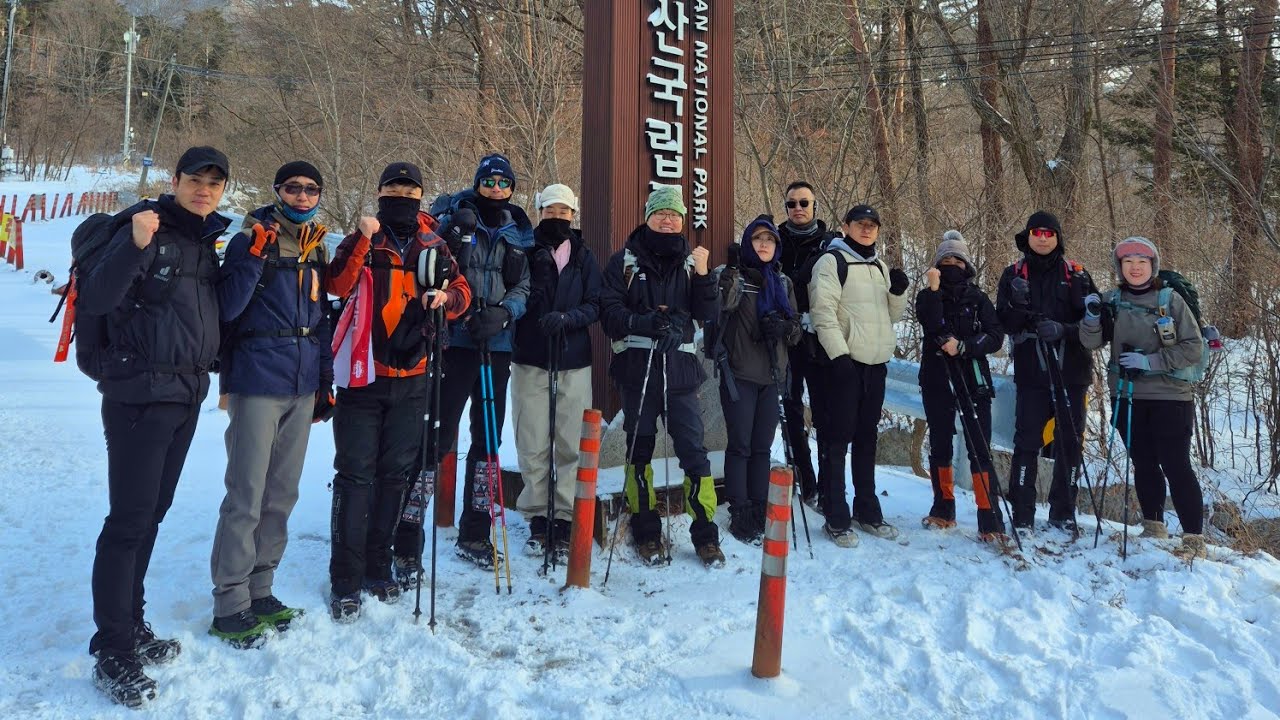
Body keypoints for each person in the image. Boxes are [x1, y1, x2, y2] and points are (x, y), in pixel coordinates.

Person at [77, 146, 231, 707]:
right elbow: (96, 297)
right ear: (176, 181)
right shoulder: (146, 228)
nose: (204, 189)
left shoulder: (202, 242)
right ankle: (112, 647)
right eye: (195, 179)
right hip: (139, 395)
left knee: (152, 517)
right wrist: (135, 244)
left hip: (185, 394)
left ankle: (131, 625)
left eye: (215, 183)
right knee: (128, 522)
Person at [325, 161, 471, 622]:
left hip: (414, 377)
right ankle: (345, 579)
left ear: (421, 197)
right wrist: (363, 238)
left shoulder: (435, 244)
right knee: (355, 476)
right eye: (394, 189)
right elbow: (336, 284)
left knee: (395, 476)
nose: (402, 197)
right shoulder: (366, 241)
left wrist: (446, 300)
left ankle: (378, 565)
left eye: (410, 191)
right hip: (363, 377)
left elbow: (463, 294)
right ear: (381, 192)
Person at [209, 161, 332, 646]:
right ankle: (230, 602)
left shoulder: (316, 245)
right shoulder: (249, 238)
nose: (302, 197)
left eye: (311, 190)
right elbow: (228, 306)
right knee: (246, 495)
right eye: (293, 188)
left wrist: (324, 382)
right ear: (277, 190)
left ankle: (261, 588)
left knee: (281, 495)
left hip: (301, 383)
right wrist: (255, 256)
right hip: (257, 376)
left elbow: (322, 319)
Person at [600, 184, 722, 566]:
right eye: (660, 213)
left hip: (682, 371)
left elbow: (707, 312)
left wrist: (703, 276)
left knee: (694, 453)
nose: (667, 220)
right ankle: (646, 530)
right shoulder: (624, 262)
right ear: (648, 217)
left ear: (683, 220)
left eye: (674, 215)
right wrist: (645, 322)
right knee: (640, 451)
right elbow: (609, 315)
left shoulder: (691, 262)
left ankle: (706, 534)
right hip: (638, 371)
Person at [426, 153, 533, 570]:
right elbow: (434, 267)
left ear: (511, 188)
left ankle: (475, 530)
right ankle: (405, 527)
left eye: (503, 183)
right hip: (456, 339)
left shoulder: (518, 230)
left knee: (488, 440)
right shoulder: (455, 217)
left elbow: (524, 285)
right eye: (488, 182)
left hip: (498, 341)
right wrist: (462, 311)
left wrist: (504, 313)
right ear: (477, 183)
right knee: (438, 431)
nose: (495, 189)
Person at [1080, 236, 1208, 559]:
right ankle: (1153, 526)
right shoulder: (1111, 300)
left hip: (1170, 396)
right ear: (1119, 268)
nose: (1135, 268)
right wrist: (1093, 317)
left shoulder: (1170, 299)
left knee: (1175, 464)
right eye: (1128, 263)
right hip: (1127, 394)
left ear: (1152, 265)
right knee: (1143, 462)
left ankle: (1194, 538)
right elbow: (1091, 342)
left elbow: (1193, 347)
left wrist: (1151, 362)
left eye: (1142, 262)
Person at [510, 184, 602, 563]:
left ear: (573, 215)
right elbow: (514, 292)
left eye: (565, 212)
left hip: (574, 359)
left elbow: (595, 303)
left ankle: (563, 517)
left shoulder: (584, 255)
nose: (558, 218)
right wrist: (534, 313)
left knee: (569, 442)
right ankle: (537, 517)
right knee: (532, 440)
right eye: (551, 211)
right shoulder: (526, 250)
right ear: (540, 211)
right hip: (531, 356)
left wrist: (567, 318)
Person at [808, 204, 909, 547]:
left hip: (875, 365)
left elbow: (890, 316)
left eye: (872, 225)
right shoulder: (831, 262)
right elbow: (822, 313)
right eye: (860, 224)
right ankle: (836, 515)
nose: (866, 230)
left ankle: (867, 510)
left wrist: (898, 292)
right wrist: (839, 358)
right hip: (844, 364)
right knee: (837, 441)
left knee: (867, 439)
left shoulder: (878, 266)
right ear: (846, 226)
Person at [995, 211, 1098, 531]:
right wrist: (1018, 305)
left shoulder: (1077, 276)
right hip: (1032, 372)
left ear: (1057, 237)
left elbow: (1096, 327)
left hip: (1073, 373)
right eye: (1036, 232)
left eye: (1048, 233)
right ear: (1027, 236)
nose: (1042, 238)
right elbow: (1002, 324)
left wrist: (1063, 330)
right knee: (1026, 441)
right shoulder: (1013, 274)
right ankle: (1022, 511)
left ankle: (1063, 511)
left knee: (1070, 441)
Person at [714, 215, 802, 544]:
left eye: (770, 240)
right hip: (738, 374)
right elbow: (719, 308)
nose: (764, 244)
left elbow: (795, 332)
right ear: (748, 242)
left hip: (772, 376)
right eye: (758, 239)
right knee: (740, 445)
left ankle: (759, 503)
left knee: (762, 447)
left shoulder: (782, 284)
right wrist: (729, 277)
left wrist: (783, 327)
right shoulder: (734, 278)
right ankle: (740, 509)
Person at [915, 231, 1007, 541]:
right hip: (937, 378)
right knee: (940, 442)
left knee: (979, 446)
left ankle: (989, 518)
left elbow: (996, 336)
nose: (952, 264)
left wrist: (965, 346)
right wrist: (933, 289)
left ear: (967, 264)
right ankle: (943, 509)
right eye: (945, 260)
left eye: (957, 259)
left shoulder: (978, 298)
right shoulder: (928, 294)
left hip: (974, 379)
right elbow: (929, 322)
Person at [776, 181, 839, 507]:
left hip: (822, 339)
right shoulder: (773, 241)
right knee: (791, 410)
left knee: (826, 413)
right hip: (787, 340)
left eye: (804, 202)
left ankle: (830, 484)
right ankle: (806, 478)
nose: (798, 208)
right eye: (791, 204)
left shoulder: (832, 245)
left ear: (815, 206)